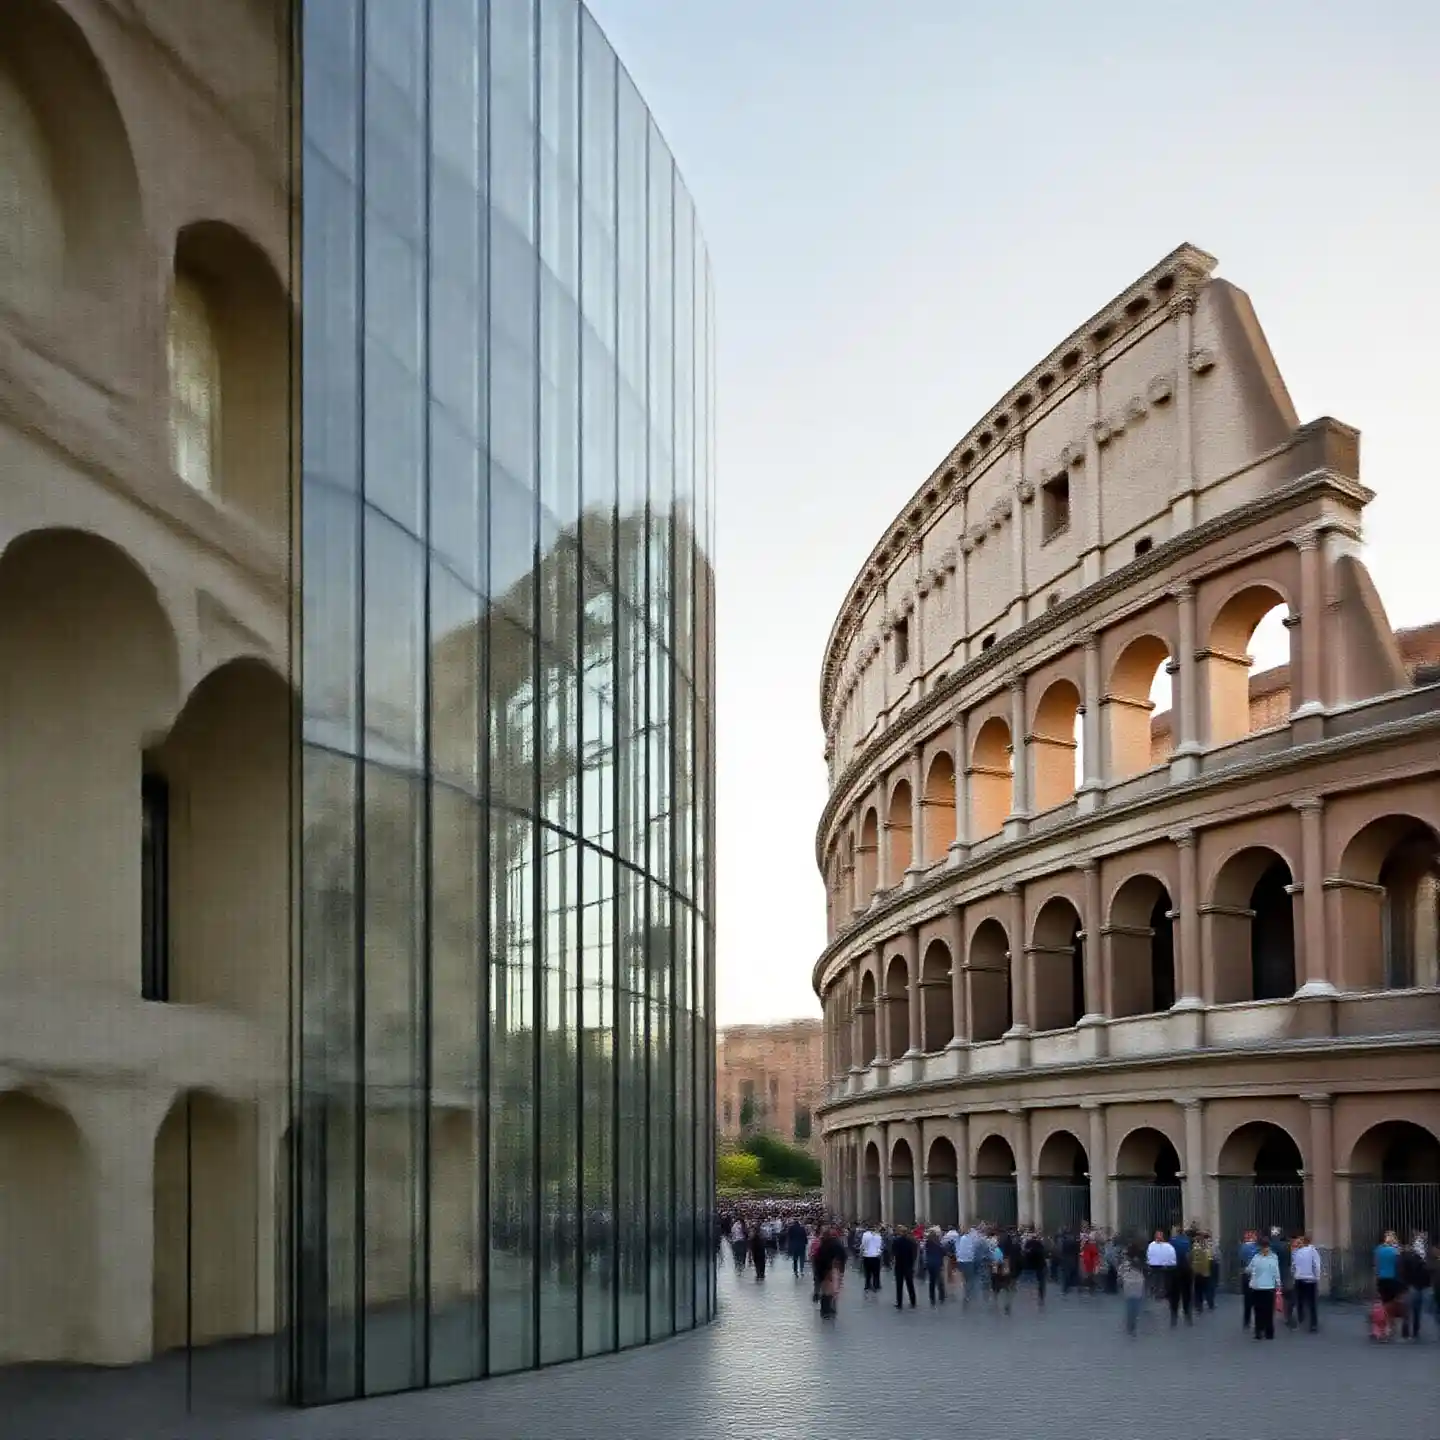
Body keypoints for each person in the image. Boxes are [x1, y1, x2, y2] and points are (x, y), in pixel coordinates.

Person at [1247, 1234, 1281, 1340]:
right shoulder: (1274, 1257)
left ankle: (1258, 1332)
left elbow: (1248, 1269)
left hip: (1257, 1288)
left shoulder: (1256, 1258)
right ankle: (1269, 1333)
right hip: (1269, 1288)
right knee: (1269, 1311)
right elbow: (1276, 1272)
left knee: (1258, 1311)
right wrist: (1279, 1284)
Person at [1146, 1229, 1179, 1324]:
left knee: (1163, 1281)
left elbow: (1171, 1256)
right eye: (1157, 1235)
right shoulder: (1152, 1245)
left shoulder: (1167, 1246)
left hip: (1165, 1267)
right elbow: (1149, 1255)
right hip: (1155, 1266)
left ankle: (1163, 1294)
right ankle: (1157, 1293)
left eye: (1160, 1235)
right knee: (1156, 1280)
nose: (1159, 1237)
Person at [1290, 1233, 1321, 1332]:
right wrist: (1317, 1277)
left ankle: (1300, 1320)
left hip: (1299, 1279)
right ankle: (1313, 1324)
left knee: (1299, 1301)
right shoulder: (1313, 1251)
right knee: (1312, 1303)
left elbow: (1293, 1266)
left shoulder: (1297, 1252)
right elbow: (1316, 1265)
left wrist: (1295, 1274)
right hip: (1311, 1280)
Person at [1120, 1244, 1146, 1337]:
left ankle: (1130, 1325)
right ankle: (1133, 1325)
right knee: (1136, 1306)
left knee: (1129, 1305)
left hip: (1128, 1286)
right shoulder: (1140, 1262)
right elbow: (1145, 1272)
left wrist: (1120, 1281)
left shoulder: (1125, 1263)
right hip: (1138, 1285)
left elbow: (1120, 1274)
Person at [891, 1225, 918, 1309]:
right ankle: (913, 1301)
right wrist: (912, 1263)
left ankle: (899, 1303)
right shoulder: (912, 1241)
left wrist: (893, 1260)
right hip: (908, 1265)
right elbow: (914, 1254)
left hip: (899, 1265)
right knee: (910, 1284)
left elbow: (893, 1253)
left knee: (899, 1285)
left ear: (900, 1232)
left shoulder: (896, 1241)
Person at [923, 1226, 947, 1305]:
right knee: (940, 1281)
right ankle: (941, 1296)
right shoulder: (938, 1244)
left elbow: (925, 1252)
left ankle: (932, 1298)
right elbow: (943, 1253)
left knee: (932, 1281)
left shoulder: (927, 1243)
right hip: (937, 1264)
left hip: (930, 1264)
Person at [859, 1224, 884, 1294]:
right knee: (876, 1272)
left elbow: (863, 1245)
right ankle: (876, 1285)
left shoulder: (865, 1235)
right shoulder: (878, 1235)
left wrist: (861, 1253)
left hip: (867, 1256)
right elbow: (880, 1246)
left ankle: (867, 1285)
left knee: (867, 1272)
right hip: (876, 1256)